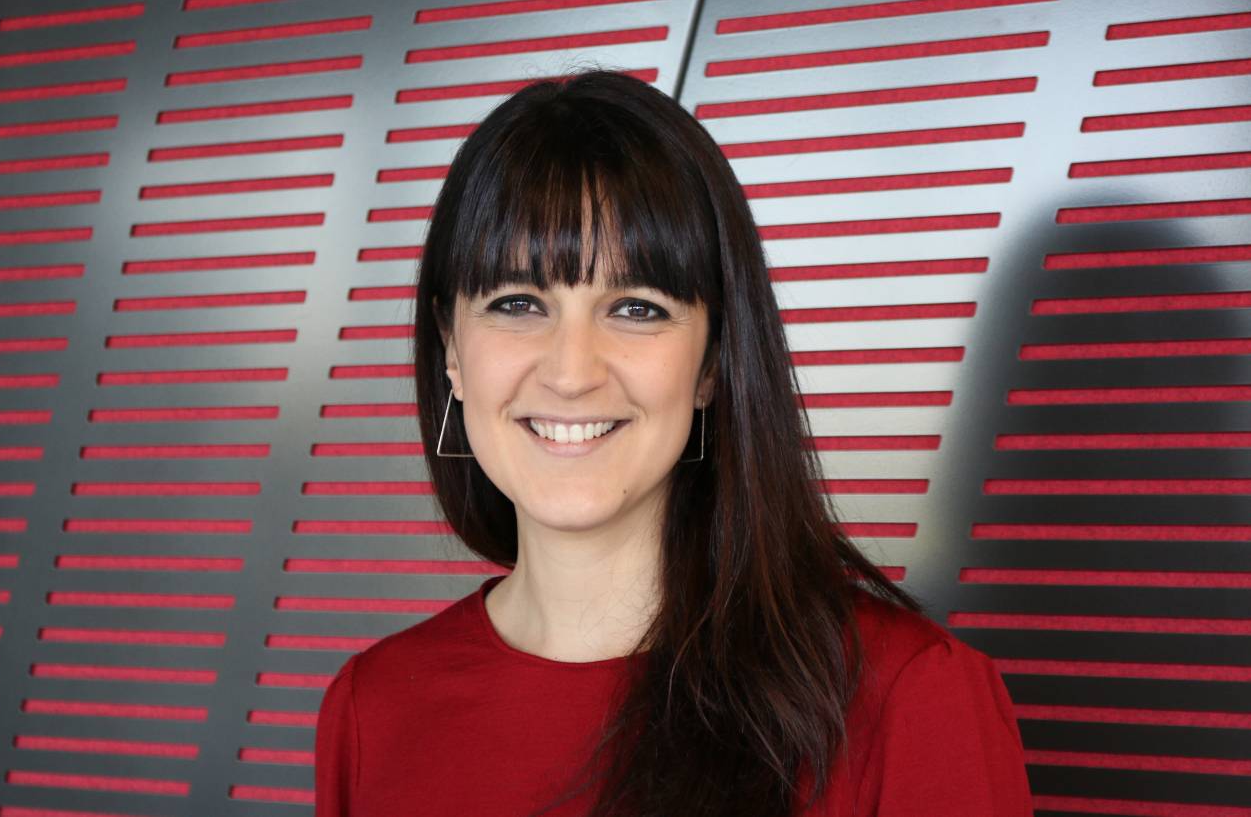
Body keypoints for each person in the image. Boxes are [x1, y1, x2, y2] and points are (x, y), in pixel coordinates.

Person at [314, 68, 1033, 816]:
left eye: (636, 308)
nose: (570, 373)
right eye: (518, 303)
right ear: (452, 349)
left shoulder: (907, 697)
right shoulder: (371, 708)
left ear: (712, 363)